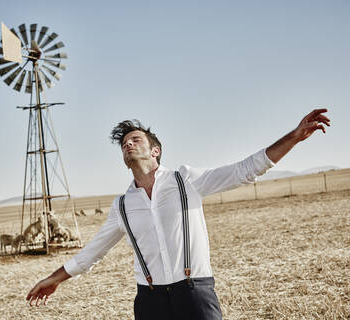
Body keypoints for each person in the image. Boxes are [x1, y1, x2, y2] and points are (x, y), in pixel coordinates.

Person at [26, 109, 330, 319]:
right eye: (124, 144)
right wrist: (55, 278)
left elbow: (244, 170)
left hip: (195, 292)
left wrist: (294, 136)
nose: (128, 144)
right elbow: (92, 252)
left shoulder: (186, 180)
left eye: (135, 139)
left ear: (155, 151)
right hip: (149, 300)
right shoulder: (122, 205)